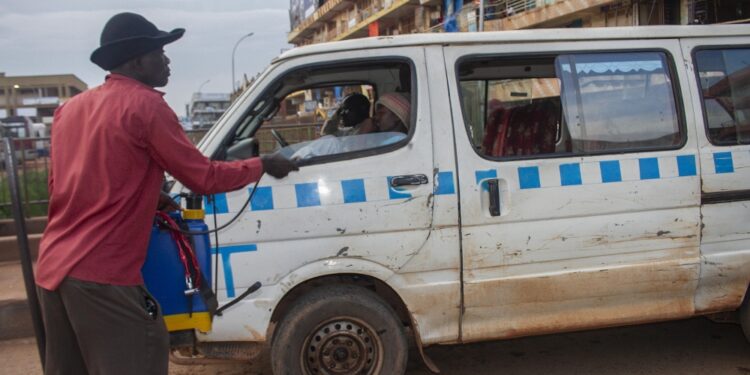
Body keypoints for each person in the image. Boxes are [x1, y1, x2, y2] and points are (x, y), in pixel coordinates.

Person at [34, 12, 298, 375]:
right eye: (161, 52)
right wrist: (264, 165)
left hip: (53, 270)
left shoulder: (70, 110)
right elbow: (203, 177)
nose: (168, 61)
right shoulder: (146, 106)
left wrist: (148, 197)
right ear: (138, 60)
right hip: (102, 273)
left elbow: (65, 187)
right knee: (144, 349)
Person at [292, 92, 410, 160]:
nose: (376, 117)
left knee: (331, 142)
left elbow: (360, 160)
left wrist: (363, 133)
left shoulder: (398, 140)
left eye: (381, 113)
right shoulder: (384, 136)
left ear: (396, 117)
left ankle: (293, 162)